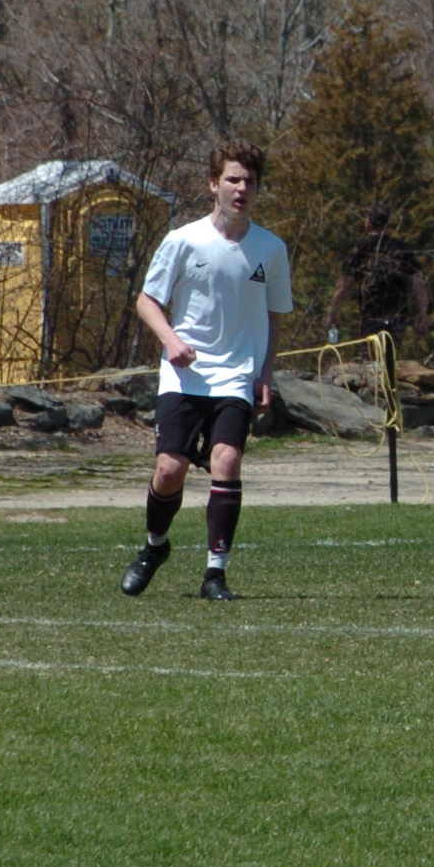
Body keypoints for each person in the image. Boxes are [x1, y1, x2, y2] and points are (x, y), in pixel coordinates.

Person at [121, 143, 293, 602]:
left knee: (227, 460)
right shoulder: (183, 240)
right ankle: (155, 546)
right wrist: (171, 340)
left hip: (236, 376)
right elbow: (146, 301)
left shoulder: (271, 249)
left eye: (249, 181)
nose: (241, 188)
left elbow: (275, 315)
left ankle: (215, 574)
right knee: (170, 468)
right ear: (214, 184)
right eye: (233, 179)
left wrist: (265, 373)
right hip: (185, 376)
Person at [325, 207, 429, 353]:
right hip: (398, 315)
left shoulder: (359, 249)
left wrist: (332, 314)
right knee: (391, 356)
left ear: (367, 223)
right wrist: (422, 316)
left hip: (370, 315)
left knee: (369, 357)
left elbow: (343, 286)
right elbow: (418, 284)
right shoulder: (401, 248)